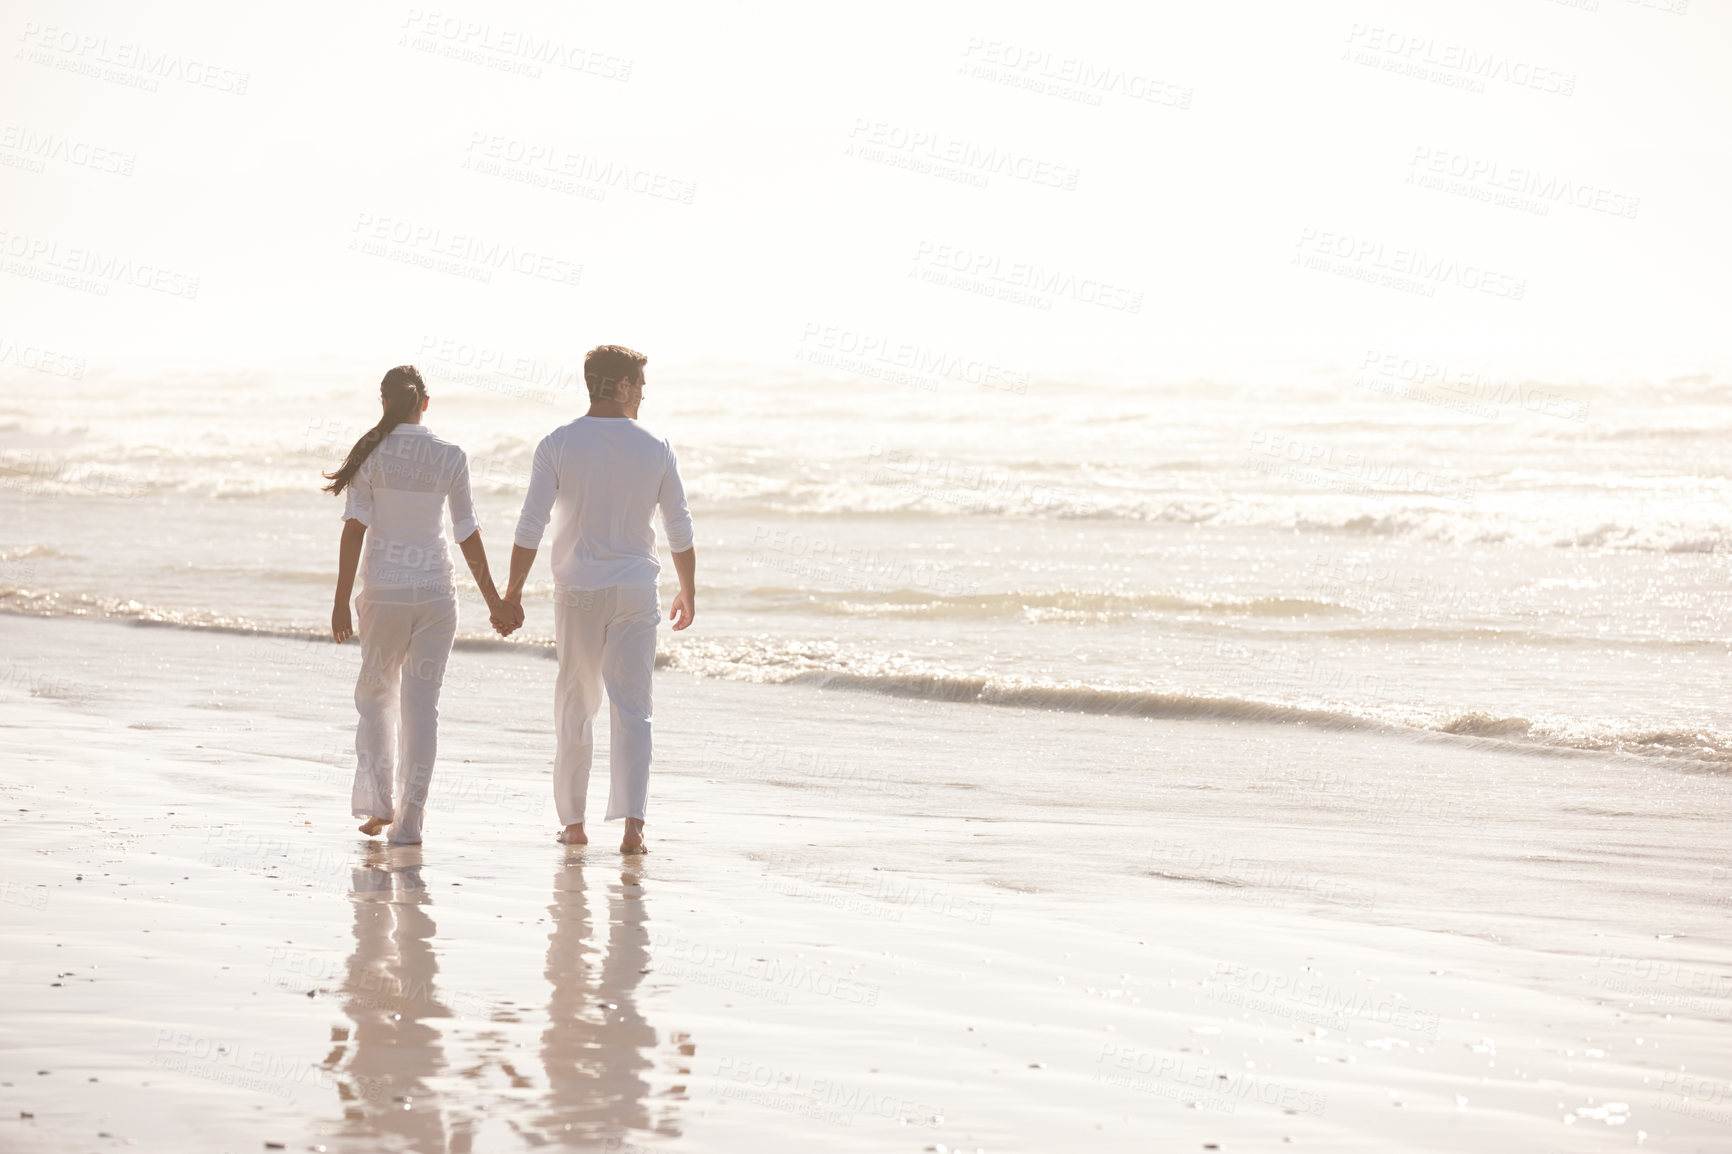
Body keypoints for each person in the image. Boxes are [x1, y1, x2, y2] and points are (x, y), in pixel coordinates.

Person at [502, 344, 695, 853]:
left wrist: (512, 592)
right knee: (634, 708)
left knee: (576, 703)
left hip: (579, 592)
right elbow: (679, 525)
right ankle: (633, 828)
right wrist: (688, 589)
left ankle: (574, 823)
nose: (644, 394)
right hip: (636, 589)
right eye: (640, 384)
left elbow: (531, 523)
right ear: (621, 386)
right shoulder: (657, 446)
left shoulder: (559, 444)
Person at [325, 365, 522, 844]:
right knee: (422, 707)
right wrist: (495, 599)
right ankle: (410, 819)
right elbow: (466, 532)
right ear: (425, 404)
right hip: (436, 594)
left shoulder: (370, 453)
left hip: (385, 594)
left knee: (375, 697)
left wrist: (338, 603)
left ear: (384, 401)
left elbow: (354, 530)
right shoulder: (450, 455)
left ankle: (379, 804)